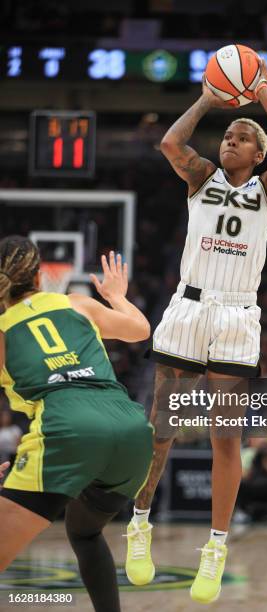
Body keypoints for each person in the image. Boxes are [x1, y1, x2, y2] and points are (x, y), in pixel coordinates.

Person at [126, 59, 267, 604]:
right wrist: (208, 99)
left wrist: (262, 95)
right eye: (227, 134)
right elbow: (170, 145)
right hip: (189, 306)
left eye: (241, 137)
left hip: (235, 315)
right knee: (162, 423)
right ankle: (139, 522)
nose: (230, 140)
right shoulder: (201, 177)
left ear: (258, 155)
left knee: (228, 438)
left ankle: (216, 547)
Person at [0, 236, 153, 612]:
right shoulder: (77, 303)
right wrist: (116, 294)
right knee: (84, 532)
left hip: (67, 428)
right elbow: (141, 330)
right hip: (130, 429)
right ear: (40, 277)